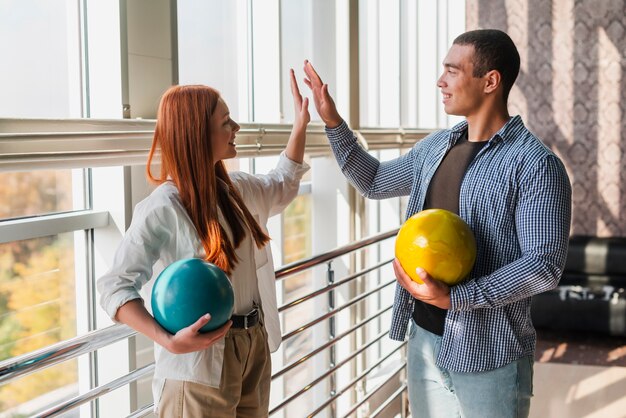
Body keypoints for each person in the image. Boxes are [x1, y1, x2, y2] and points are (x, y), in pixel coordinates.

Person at [304, 29, 571, 418]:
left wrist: (456, 298)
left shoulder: (536, 165)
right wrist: (333, 122)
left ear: (490, 81)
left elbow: (543, 265)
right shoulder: (435, 146)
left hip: (490, 352)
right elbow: (375, 181)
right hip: (425, 339)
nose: (439, 81)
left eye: (452, 70)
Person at [97, 69, 310, 418]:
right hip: (199, 364)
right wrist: (167, 340)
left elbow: (284, 182)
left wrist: (300, 124)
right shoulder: (163, 207)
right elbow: (114, 287)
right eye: (226, 122)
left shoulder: (239, 191)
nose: (236, 128)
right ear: (198, 134)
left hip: (253, 346)